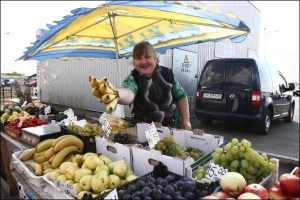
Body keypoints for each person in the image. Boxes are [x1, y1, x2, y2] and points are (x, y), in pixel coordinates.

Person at [102, 41, 191, 130]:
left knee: (172, 144)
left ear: (155, 58)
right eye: (138, 58)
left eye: (147, 57)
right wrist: (115, 93)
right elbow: (128, 94)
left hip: (172, 127)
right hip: (145, 129)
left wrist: (186, 120)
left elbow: (181, 96)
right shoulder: (132, 79)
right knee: (151, 144)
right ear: (134, 62)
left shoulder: (167, 73)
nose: (143, 62)